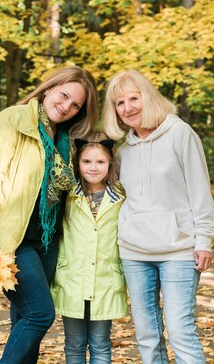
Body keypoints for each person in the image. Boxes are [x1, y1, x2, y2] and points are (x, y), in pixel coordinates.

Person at [0, 66, 98, 364]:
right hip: (10, 238)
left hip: (47, 238)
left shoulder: (66, 139)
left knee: (23, 318)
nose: (66, 106)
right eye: (63, 95)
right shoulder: (11, 120)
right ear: (48, 90)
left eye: (76, 104)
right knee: (39, 314)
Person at [102, 70, 214, 364]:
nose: (128, 108)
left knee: (181, 331)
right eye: (120, 103)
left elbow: (199, 192)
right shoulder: (121, 151)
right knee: (147, 336)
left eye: (133, 98)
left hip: (178, 250)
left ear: (148, 97)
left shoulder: (181, 134)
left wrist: (204, 240)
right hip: (134, 252)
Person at [51, 132, 127, 364]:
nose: (93, 167)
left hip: (105, 280)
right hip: (72, 278)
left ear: (110, 163)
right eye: (86, 161)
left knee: (101, 344)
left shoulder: (121, 196)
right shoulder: (67, 196)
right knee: (73, 345)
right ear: (78, 163)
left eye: (100, 162)